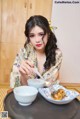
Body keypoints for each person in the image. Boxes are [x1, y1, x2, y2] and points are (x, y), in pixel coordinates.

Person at [10, 15, 62, 88]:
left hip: (47, 96)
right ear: (28, 37)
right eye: (32, 35)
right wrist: (22, 74)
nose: (37, 40)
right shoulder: (23, 53)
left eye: (41, 34)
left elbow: (52, 85)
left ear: (48, 33)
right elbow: (20, 88)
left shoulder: (57, 54)